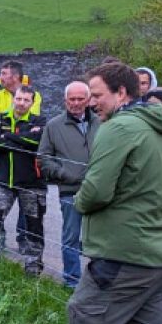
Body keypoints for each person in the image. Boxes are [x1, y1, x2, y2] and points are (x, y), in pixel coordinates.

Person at [68, 61, 162, 324]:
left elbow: (96, 190)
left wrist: (78, 201)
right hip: (158, 258)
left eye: (97, 95)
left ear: (121, 92)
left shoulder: (118, 128)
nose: (92, 102)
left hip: (119, 259)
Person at [0, 86, 48, 275]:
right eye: (19, 99)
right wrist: (21, 139)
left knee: (33, 227)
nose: (21, 103)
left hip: (32, 182)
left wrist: (8, 136)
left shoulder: (40, 120)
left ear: (32, 103)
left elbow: (37, 142)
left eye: (26, 100)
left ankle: (33, 270)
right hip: (2, 180)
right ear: (13, 99)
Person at [38, 81, 100, 289]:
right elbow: (43, 158)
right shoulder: (54, 125)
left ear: (89, 99)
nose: (76, 103)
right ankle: (72, 281)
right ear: (65, 101)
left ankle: (99, 282)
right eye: (71, 99)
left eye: (80, 98)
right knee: (71, 237)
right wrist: (64, 173)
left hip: (101, 190)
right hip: (70, 191)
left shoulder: (102, 122)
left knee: (100, 238)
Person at [0, 60, 42, 128]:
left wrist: (2, 123)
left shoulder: (34, 95)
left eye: (4, 73)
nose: (0, 77)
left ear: (15, 77)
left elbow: (31, 119)